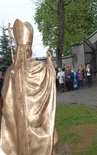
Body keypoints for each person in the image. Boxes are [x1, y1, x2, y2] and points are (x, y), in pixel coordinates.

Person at [1, 19, 57, 155]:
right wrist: (49, 62)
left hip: (18, 122)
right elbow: (51, 76)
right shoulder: (40, 67)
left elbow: (5, 99)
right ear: (29, 48)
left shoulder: (10, 71)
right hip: (36, 123)